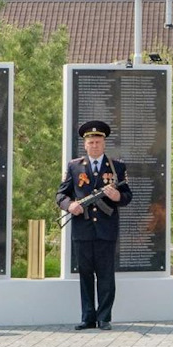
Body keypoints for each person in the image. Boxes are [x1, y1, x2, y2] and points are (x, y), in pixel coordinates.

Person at [57, 120, 132, 331]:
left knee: (106, 275)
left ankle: (105, 317)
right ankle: (88, 316)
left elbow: (128, 195)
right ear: (85, 144)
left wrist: (117, 196)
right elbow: (61, 194)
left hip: (106, 230)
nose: (94, 145)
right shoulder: (74, 166)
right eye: (91, 142)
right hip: (83, 229)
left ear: (104, 143)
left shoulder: (116, 166)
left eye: (98, 141)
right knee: (86, 274)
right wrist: (70, 205)